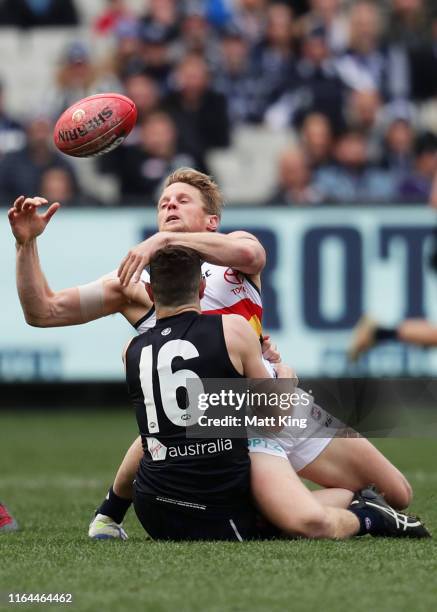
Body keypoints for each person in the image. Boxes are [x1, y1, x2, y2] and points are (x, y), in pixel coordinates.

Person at [7, 167, 415, 540]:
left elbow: (251, 255)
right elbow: (42, 312)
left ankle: (351, 506)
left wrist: (166, 239)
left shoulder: (237, 252)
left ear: (211, 222)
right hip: (222, 425)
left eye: (182, 200)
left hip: (277, 402)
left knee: (397, 492)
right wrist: (27, 245)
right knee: (173, 413)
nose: (170, 205)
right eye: (164, 203)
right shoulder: (139, 283)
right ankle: (110, 511)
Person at [125, 245, 428, 540]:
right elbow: (273, 418)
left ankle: (109, 511)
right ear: (203, 287)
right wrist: (285, 378)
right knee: (309, 520)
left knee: (378, 492)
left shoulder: (131, 351)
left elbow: (160, 429)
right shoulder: (231, 328)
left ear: (151, 294)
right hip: (223, 487)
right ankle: (371, 517)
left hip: (154, 505)